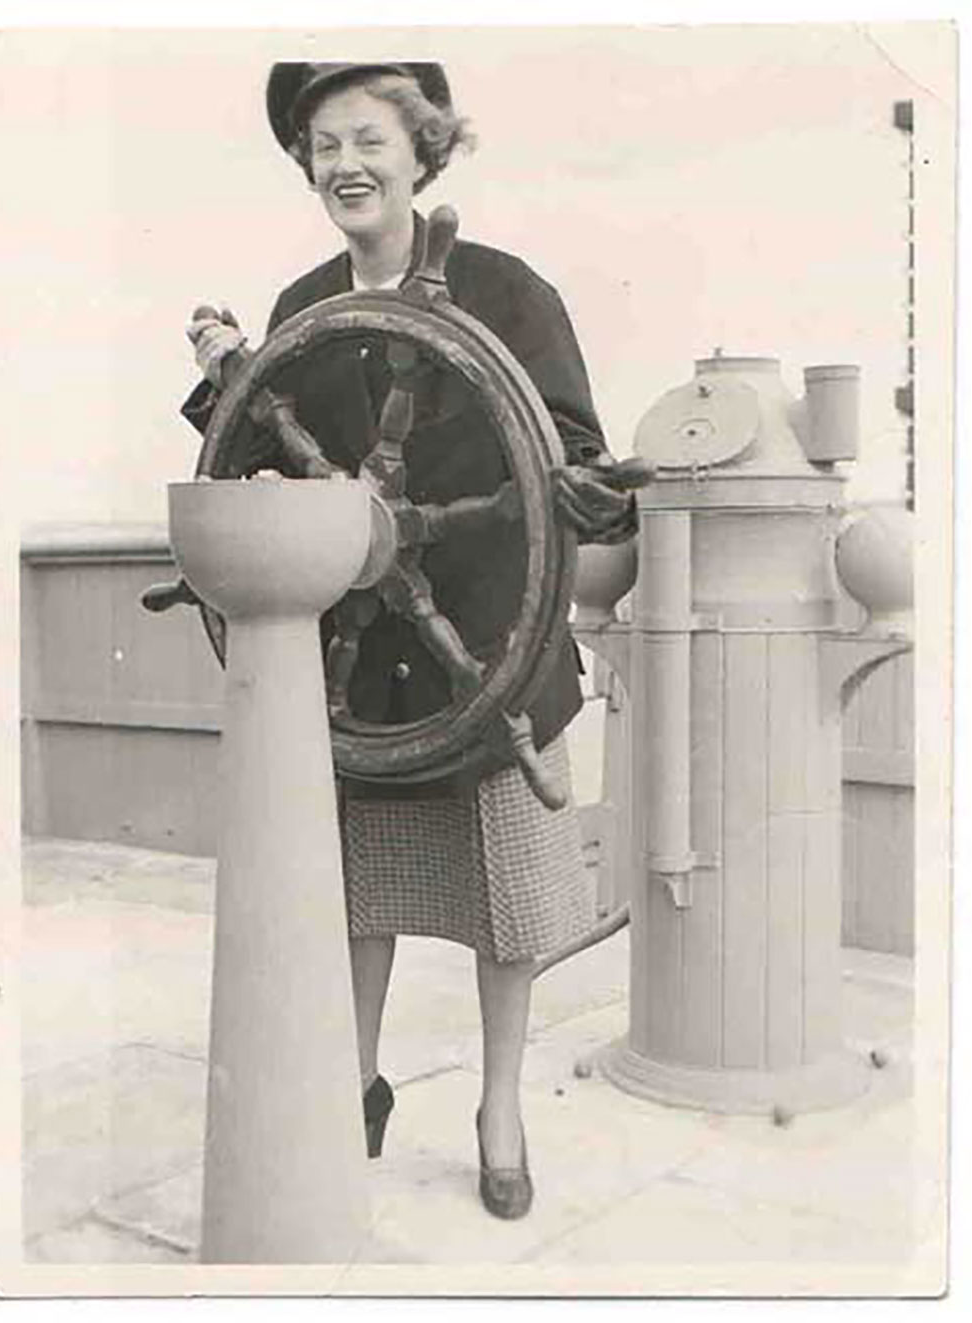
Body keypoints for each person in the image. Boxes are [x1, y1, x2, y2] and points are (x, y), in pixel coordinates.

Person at [183, 62, 636, 1221]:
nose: (347, 162)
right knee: (362, 896)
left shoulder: (508, 291)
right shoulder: (301, 310)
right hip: (368, 671)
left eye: (370, 138)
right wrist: (228, 386)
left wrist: (572, 487)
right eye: (325, 142)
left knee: (511, 908)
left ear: (420, 147)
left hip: (487, 653)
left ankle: (499, 1108)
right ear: (307, 164)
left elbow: (575, 452)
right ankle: (356, 1079)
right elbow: (270, 475)